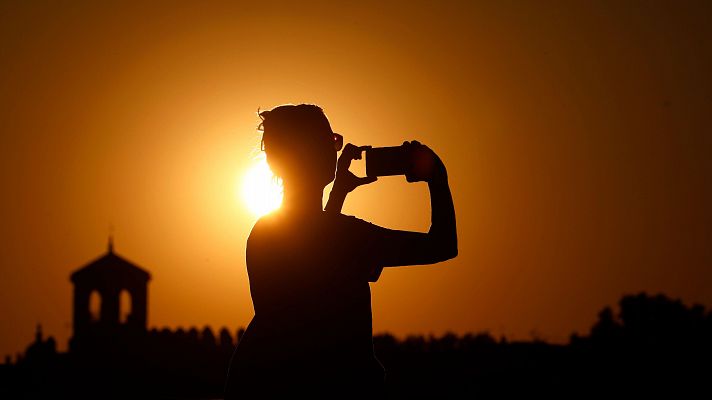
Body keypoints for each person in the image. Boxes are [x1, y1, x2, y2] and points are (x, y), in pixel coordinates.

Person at [224, 104, 457, 398]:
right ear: (315, 153)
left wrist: (338, 195)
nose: (337, 149)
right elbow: (441, 245)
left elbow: (313, 261)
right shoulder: (346, 236)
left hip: (262, 388)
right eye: (331, 142)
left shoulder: (265, 232)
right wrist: (437, 177)